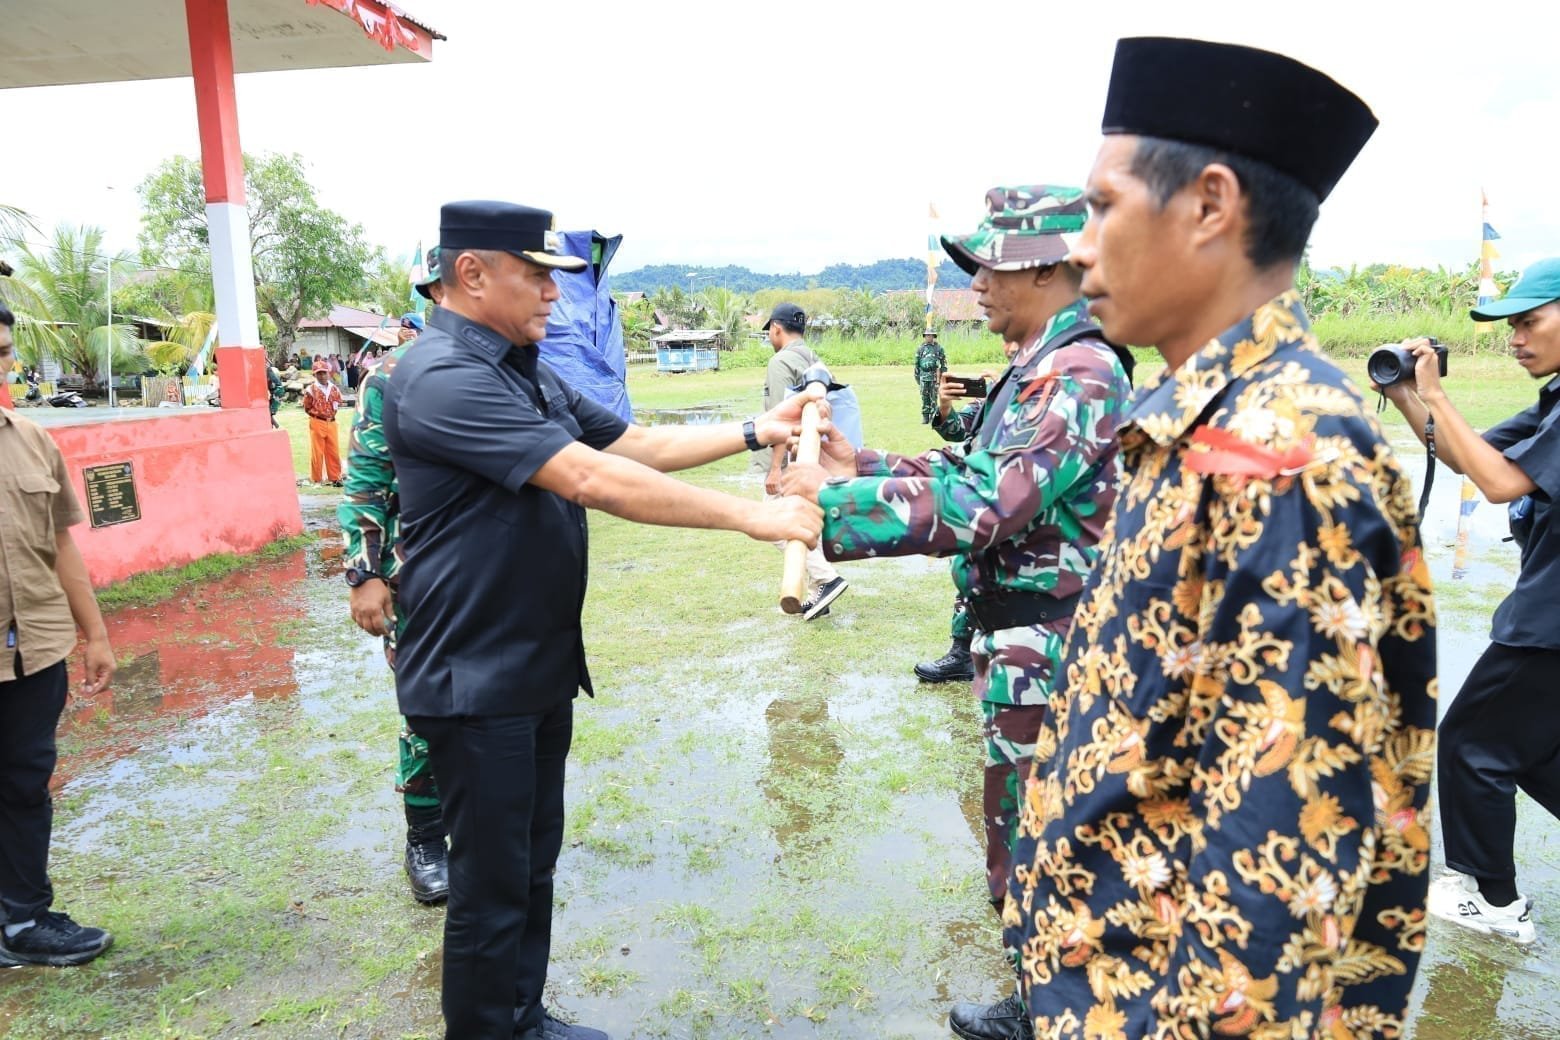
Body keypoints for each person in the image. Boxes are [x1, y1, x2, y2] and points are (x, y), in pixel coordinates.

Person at [968, 38, 1436, 1040]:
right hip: (1109, 985)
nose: (1080, 248)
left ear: (1210, 205)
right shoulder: (1203, 418)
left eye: (1101, 207)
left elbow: (1279, 864)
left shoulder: (1282, 453)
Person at [382, 200, 821, 1040]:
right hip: (474, 677)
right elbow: (590, 479)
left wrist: (752, 430)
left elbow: (635, 445)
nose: (555, 293)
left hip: (533, 666)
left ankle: (523, 1017)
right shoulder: (441, 375)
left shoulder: (525, 369)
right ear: (472, 274)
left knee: (530, 866)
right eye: (537, 275)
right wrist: (753, 517)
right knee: (490, 887)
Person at [781, 185, 1133, 923]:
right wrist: (861, 465)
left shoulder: (1079, 372)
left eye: (990, 267)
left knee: (1044, 862)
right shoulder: (1040, 365)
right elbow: (971, 466)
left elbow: (987, 502)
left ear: (1046, 270)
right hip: (1024, 645)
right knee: (1020, 847)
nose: (976, 285)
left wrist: (834, 505)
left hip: (1056, 651)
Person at [1380, 258, 1560, 944]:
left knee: (1470, 744)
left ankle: (1494, 901)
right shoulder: (1553, 402)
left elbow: (1500, 485)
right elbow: (1471, 455)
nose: (1516, 338)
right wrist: (1407, 394)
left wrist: (1438, 394)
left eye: (1529, 321)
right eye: (1511, 325)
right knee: (1530, 751)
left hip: (1549, 621)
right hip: (1547, 611)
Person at [0, 303, 117, 967]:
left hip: (35, 648)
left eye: (2, 352)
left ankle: (24, 921)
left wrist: (94, 634)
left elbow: (62, 543)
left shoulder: (32, 440)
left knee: (24, 783)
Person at [340, 247, 450, 905]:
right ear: (434, 291)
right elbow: (365, 481)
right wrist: (364, 574)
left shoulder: (511, 369)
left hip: (491, 577)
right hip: (418, 580)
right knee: (426, 710)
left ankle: (480, 826)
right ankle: (425, 837)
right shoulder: (392, 377)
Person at [915, 344, 1017, 685]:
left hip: (1018, 500)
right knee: (972, 569)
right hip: (984, 501)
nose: (1008, 345)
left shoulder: (1038, 386)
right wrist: (945, 405)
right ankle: (962, 653)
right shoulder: (997, 390)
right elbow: (957, 430)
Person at [762, 302, 848, 620]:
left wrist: (775, 468)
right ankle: (818, 592)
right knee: (808, 522)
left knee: (772, 523)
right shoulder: (814, 358)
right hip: (817, 458)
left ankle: (826, 578)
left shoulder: (780, 362)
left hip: (792, 458)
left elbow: (778, 421)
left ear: (776, 328)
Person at [302, 358, 345, 486]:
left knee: (333, 450)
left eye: (324, 373)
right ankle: (317, 479)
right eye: (319, 373)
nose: (322, 376)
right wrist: (317, 416)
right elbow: (307, 407)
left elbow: (338, 403)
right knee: (317, 451)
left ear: (328, 373)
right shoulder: (310, 390)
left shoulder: (334, 388)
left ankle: (335, 477)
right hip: (317, 422)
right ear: (314, 375)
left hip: (332, 422)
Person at [915, 329, 948, 424]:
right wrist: (917, 377)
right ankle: (925, 416)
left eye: (930, 335)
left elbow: (943, 364)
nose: (928, 337)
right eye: (927, 335)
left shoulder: (938, 348)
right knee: (924, 397)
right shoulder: (920, 348)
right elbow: (917, 363)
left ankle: (933, 417)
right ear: (924, 336)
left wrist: (942, 377)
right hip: (923, 377)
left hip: (934, 377)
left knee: (934, 397)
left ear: (933, 336)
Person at [266, 361, 285, 428]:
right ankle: (276, 426)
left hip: (272, 393)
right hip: (270, 392)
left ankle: (276, 426)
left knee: (269, 414)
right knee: (268, 414)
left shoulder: (268, 369)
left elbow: (279, 387)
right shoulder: (267, 369)